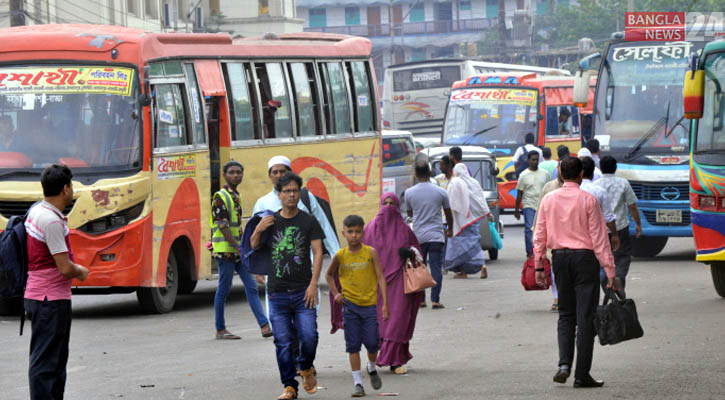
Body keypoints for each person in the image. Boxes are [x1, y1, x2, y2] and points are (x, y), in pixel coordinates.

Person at [533, 157, 617, 389]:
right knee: (585, 318)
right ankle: (582, 375)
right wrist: (610, 271)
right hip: (585, 260)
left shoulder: (549, 200)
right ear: (581, 175)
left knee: (566, 315)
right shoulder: (588, 200)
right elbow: (600, 239)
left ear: (560, 174)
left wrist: (539, 265)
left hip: (559, 259)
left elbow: (539, 234)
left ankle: (564, 365)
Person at [251, 172, 324, 400]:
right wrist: (259, 229)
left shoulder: (308, 220)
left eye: (295, 191)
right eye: (286, 191)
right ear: (279, 194)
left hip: (304, 291)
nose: (291, 195)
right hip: (277, 293)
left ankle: (305, 367)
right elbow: (253, 246)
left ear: (299, 194)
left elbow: (318, 252)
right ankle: (289, 386)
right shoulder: (270, 220)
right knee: (283, 342)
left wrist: (314, 284)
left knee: (309, 336)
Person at [24, 164, 90, 400]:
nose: (73, 190)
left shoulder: (37, 211)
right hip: (49, 300)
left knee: (53, 361)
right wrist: (81, 271)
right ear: (65, 189)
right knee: (47, 363)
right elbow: (64, 268)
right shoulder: (51, 221)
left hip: (42, 297)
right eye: (71, 186)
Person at [325, 215, 389, 397]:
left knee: (372, 343)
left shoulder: (370, 253)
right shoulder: (340, 255)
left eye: (358, 232)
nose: (354, 235)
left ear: (363, 232)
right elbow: (329, 275)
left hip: (369, 306)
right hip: (349, 307)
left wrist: (385, 304)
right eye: (350, 232)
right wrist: (336, 293)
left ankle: (371, 367)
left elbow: (380, 278)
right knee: (353, 346)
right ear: (343, 233)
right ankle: (358, 383)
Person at [211, 160, 271, 340]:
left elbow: (236, 226)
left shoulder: (236, 196)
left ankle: (264, 326)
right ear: (225, 175)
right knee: (224, 289)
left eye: (239, 172)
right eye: (232, 172)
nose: (236, 175)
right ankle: (220, 329)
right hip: (226, 251)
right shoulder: (221, 197)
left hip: (237, 251)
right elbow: (223, 226)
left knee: (251, 286)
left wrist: (244, 246)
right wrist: (238, 247)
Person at [362, 192, 421, 375]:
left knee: (399, 320)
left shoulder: (405, 229)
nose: (388, 208)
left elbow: (417, 251)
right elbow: (361, 254)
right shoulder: (370, 228)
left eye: (392, 204)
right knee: (381, 321)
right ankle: (381, 356)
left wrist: (410, 252)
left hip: (400, 282)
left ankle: (395, 360)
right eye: (385, 203)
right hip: (378, 284)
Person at [404, 161, 453, 308]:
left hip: (418, 236)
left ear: (416, 174)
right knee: (436, 267)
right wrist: (450, 228)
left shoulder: (409, 193)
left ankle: (421, 300)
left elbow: (410, 213)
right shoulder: (440, 192)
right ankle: (435, 300)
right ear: (430, 172)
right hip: (436, 235)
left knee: (419, 267)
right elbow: (448, 213)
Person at [595, 156, 643, 293]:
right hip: (620, 226)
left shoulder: (596, 185)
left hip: (601, 228)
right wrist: (638, 224)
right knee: (622, 256)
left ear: (601, 168)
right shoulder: (623, 183)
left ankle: (607, 284)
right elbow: (632, 205)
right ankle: (619, 278)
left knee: (603, 257)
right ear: (615, 168)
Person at [445, 163, 491, 279]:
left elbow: (452, 202)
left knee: (458, 246)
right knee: (474, 243)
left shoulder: (455, 183)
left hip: (460, 220)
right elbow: (480, 199)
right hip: (473, 220)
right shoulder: (474, 182)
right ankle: (482, 265)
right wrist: (487, 212)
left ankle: (462, 272)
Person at [579, 157, 620, 251]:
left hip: (571, 242)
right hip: (594, 241)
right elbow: (608, 217)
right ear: (593, 172)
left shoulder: (567, 192)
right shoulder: (599, 191)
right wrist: (615, 234)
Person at [515, 151, 550, 257]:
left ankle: (542, 250)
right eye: (533, 159)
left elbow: (549, 190)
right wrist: (516, 210)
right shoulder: (523, 175)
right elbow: (519, 193)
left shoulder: (545, 174)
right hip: (529, 205)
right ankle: (531, 252)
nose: (535, 162)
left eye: (536, 159)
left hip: (542, 205)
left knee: (543, 229)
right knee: (529, 229)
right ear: (528, 160)